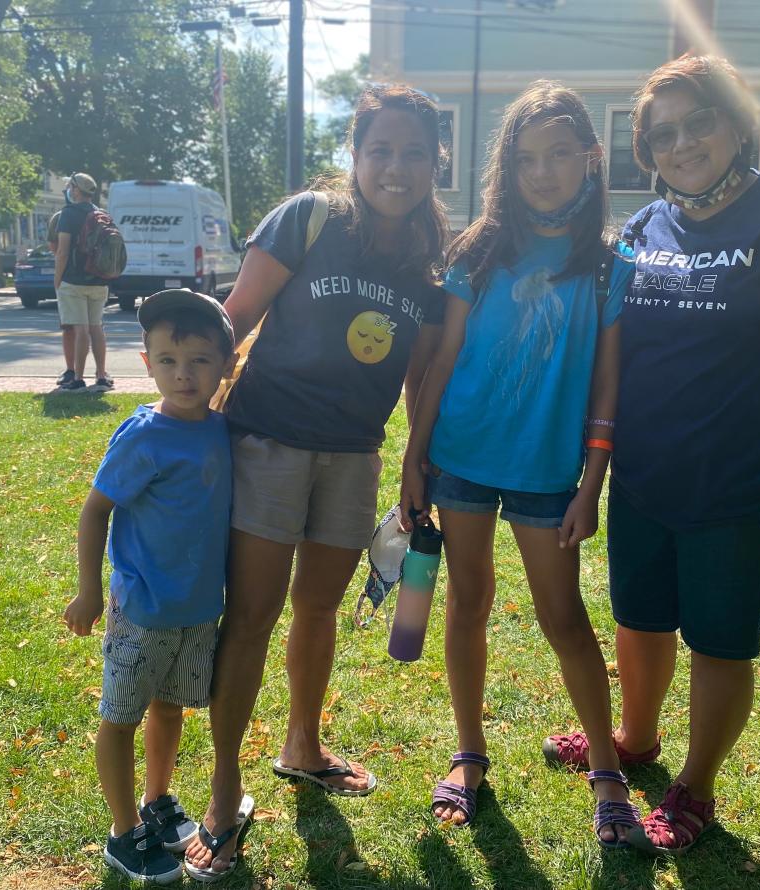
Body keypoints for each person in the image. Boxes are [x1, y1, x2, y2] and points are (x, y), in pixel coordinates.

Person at [543, 55, 760, 855]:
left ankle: (696, 785)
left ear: (736, 123)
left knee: (720, 640)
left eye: (698, 123)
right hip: (647, 474)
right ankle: (636, 740)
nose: (682, 145)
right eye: (662, 134)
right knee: (639, 621)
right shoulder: (649, 224)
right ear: (646, 151)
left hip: (742, 484)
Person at [184, 84, 449, 878]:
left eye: (412, 153)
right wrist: (180, 415)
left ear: (435, 162)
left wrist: (411, 463)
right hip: (265, 443)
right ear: (356, 155)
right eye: (379, 151)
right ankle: (223, 789)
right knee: (255, 614)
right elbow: (234, 318)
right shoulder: (308, 218)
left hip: (354, 456)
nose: (394, 168)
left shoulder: (431, 259)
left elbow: (420, 376)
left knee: (320, 608)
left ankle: (303, 746)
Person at [399, 81, 639, 846]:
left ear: (590, 159)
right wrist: (414, 457)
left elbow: (607, 385)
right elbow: (440, 362)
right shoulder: (478, 249)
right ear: (507, 166)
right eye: (527, 158)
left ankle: (607, 769)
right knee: (465, 603)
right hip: (461, 457)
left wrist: (592, 481)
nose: (543, 172)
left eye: (559, 154)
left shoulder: (609, 264)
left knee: (562, 618)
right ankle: (469, 753)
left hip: (547, 471)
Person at [63, 288, 240, 883]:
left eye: (198, 361)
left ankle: (156, 803)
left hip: (197, 610)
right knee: (120, 717)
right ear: (146, 363)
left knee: (169, 708)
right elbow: (94, 512)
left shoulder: (221, 431)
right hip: (142, 609)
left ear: (225, 364)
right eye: (167, 360)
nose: (183, 374)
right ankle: (122, 833)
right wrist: (89, 591)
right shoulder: (142, 436)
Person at [54, 172, 113, 392]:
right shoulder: (101, 214)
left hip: (74, 280)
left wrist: (57, 279)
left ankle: (77, 378)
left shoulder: (67, 214)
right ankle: (101, 376)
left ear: (76, 190)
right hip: (99, 280)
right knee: (96, 327)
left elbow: (62, 251)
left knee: (80, 329)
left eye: (70, 186)